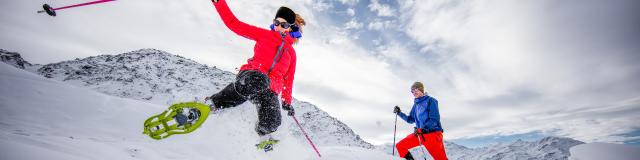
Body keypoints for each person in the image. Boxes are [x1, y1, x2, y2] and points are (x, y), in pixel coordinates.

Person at [206, 0, 306, 151]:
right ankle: (214, 103)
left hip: (268, 90)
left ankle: (264, 135)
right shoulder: (264, 35)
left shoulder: (291, 53)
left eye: (283, 25)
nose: (278, 27)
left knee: (274, 122)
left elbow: (288, 79)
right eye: (276, 23)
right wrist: (219, 3)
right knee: (260, 80)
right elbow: (234, 23)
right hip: (251, 76)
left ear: (291, 28)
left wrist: (286, 101)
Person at [394, 82, 448, 160]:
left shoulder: (431, 100)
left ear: (421, 89)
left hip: (432, 135)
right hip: (419, 134)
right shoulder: (416, 105)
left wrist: (424, 129)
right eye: (412, 91)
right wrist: (399, 113)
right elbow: (410, 119)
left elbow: (434, 119)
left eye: (416, 90)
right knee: (400, 146)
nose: (414, 92)